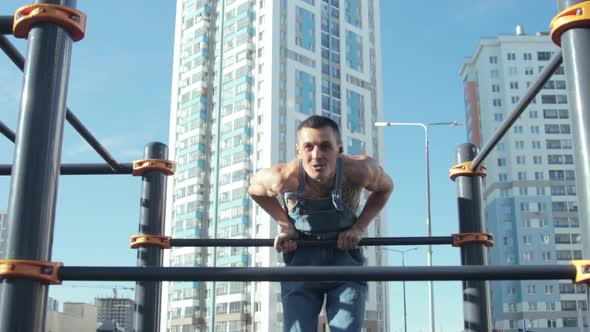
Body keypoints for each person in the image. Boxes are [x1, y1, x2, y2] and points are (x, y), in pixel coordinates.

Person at [248, 115, 394, 332]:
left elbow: (386, 187)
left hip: (345, 259)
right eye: (309, 147)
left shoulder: (360, 170)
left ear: (339, 149)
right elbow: (254, 189)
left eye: (325, 146)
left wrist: (359, 228)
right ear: (299, 152)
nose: (317, 155)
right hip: (302, 260)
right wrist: (285, 225)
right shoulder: (284, 177)